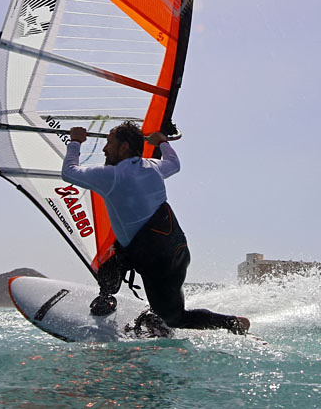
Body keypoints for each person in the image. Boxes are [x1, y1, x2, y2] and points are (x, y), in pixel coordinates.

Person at [62, 121, 249, 335]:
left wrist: (75, 141)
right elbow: (174, 163)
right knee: (115, 259)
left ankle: (233, 323)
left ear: (124, 147)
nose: (104, 149)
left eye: (109, 143)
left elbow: (69, 172)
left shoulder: (111, 176)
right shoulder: (153, 167)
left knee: (176, 317)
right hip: (173, 249)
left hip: (158, 263)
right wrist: (162, 143)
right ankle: (109, 301)